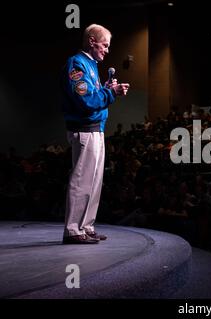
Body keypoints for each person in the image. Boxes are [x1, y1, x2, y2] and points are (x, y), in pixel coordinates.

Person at [61, 24, 130, 244]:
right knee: (82, 180)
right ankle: (73, 229)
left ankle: (86, 226)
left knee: (94, 181)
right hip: (84, 131)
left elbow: (94, 94)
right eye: (104, 45)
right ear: (92, 41)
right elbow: (85, 100)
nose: (107, 50)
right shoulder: (76, 64)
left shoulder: (91, 65)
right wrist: (111, 92)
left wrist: (107, 89)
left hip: (96, 130)